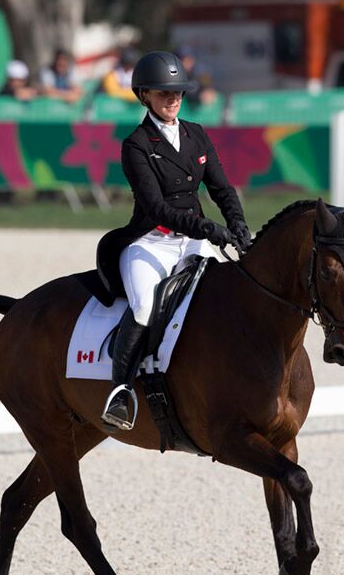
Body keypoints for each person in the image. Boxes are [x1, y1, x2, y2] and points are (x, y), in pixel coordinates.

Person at [97, 50, 251, 430]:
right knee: (146, 307)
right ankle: (120, 393)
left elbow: (221, 188)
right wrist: (211, 230)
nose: (173, 100)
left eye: (178, 92)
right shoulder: (136, 144)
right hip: (151, 242)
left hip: (194, 243)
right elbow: (156, 207)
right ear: (144, 95)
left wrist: (239, 225)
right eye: (164, 93)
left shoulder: (196, 134)